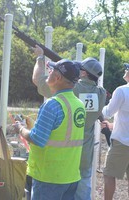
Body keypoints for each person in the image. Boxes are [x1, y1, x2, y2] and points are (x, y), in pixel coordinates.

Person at [32, 45, 106, 200]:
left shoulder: (72, 89)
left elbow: (38, 80)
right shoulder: (101, 94)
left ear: (83, 73)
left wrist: (40, 58)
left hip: (66, 159)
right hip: (85, 155)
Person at [14, 59, 86, 200]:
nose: (49, 73)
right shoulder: (78, 104)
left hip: (49, 177)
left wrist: (20, 128)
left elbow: (37, 139)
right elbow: (62, 133)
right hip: (70, 176)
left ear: (58, 77)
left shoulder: (51, 105)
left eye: (52, 70)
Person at [101, 63, 129, 200]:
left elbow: (108, 112)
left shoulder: (122, 90)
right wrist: (113, 125)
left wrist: (100, 104)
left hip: (122, 143)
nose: (126, 70)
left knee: (108, 174)